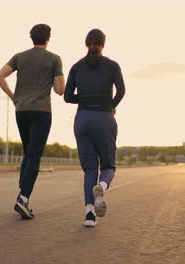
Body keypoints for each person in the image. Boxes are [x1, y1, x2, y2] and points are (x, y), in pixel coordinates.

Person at [0, 24, 65, 219]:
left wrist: (13, 96)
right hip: (41, 111)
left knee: (28, 153)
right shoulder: (54, 59)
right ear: (48, 38)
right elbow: (60, 90)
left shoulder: (19, 56)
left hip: (21, 111)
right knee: (34, 155)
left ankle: (22, 194)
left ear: (31, 37)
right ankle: (23, 198)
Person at [64, 29, 125, 227]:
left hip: (82, 119)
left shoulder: (76, 67)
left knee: (90, 168)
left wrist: (83, 98)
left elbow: (67, 97)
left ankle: (89, 214)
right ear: (103, 44)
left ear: (86, 43)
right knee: (108, 166)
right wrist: (110, 105)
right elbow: (122, 91)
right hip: (104, 118)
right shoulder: (113, 66)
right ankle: (102, 186)